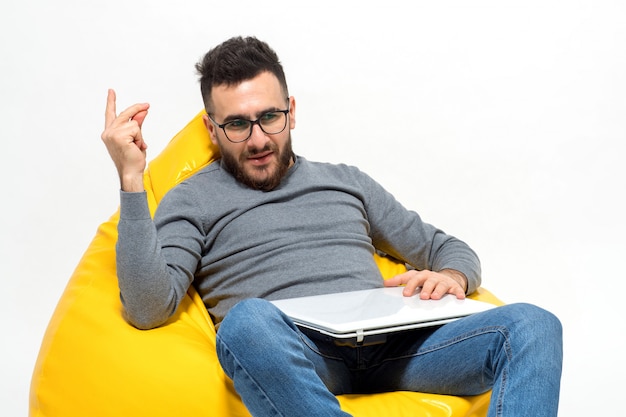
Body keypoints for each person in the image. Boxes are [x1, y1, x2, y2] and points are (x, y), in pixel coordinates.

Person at [101, 36, 562, 417]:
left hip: (395, 350)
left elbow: (449, 249)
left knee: (534, 325)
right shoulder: (192, 197)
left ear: (292, 111)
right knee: (245, 322)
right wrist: (131, 179)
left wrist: (452, 276)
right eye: (237, 124)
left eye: (270, 118)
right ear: (212, 127)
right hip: (300, 355)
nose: (259, 139)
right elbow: (147, 308)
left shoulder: (345, 181)